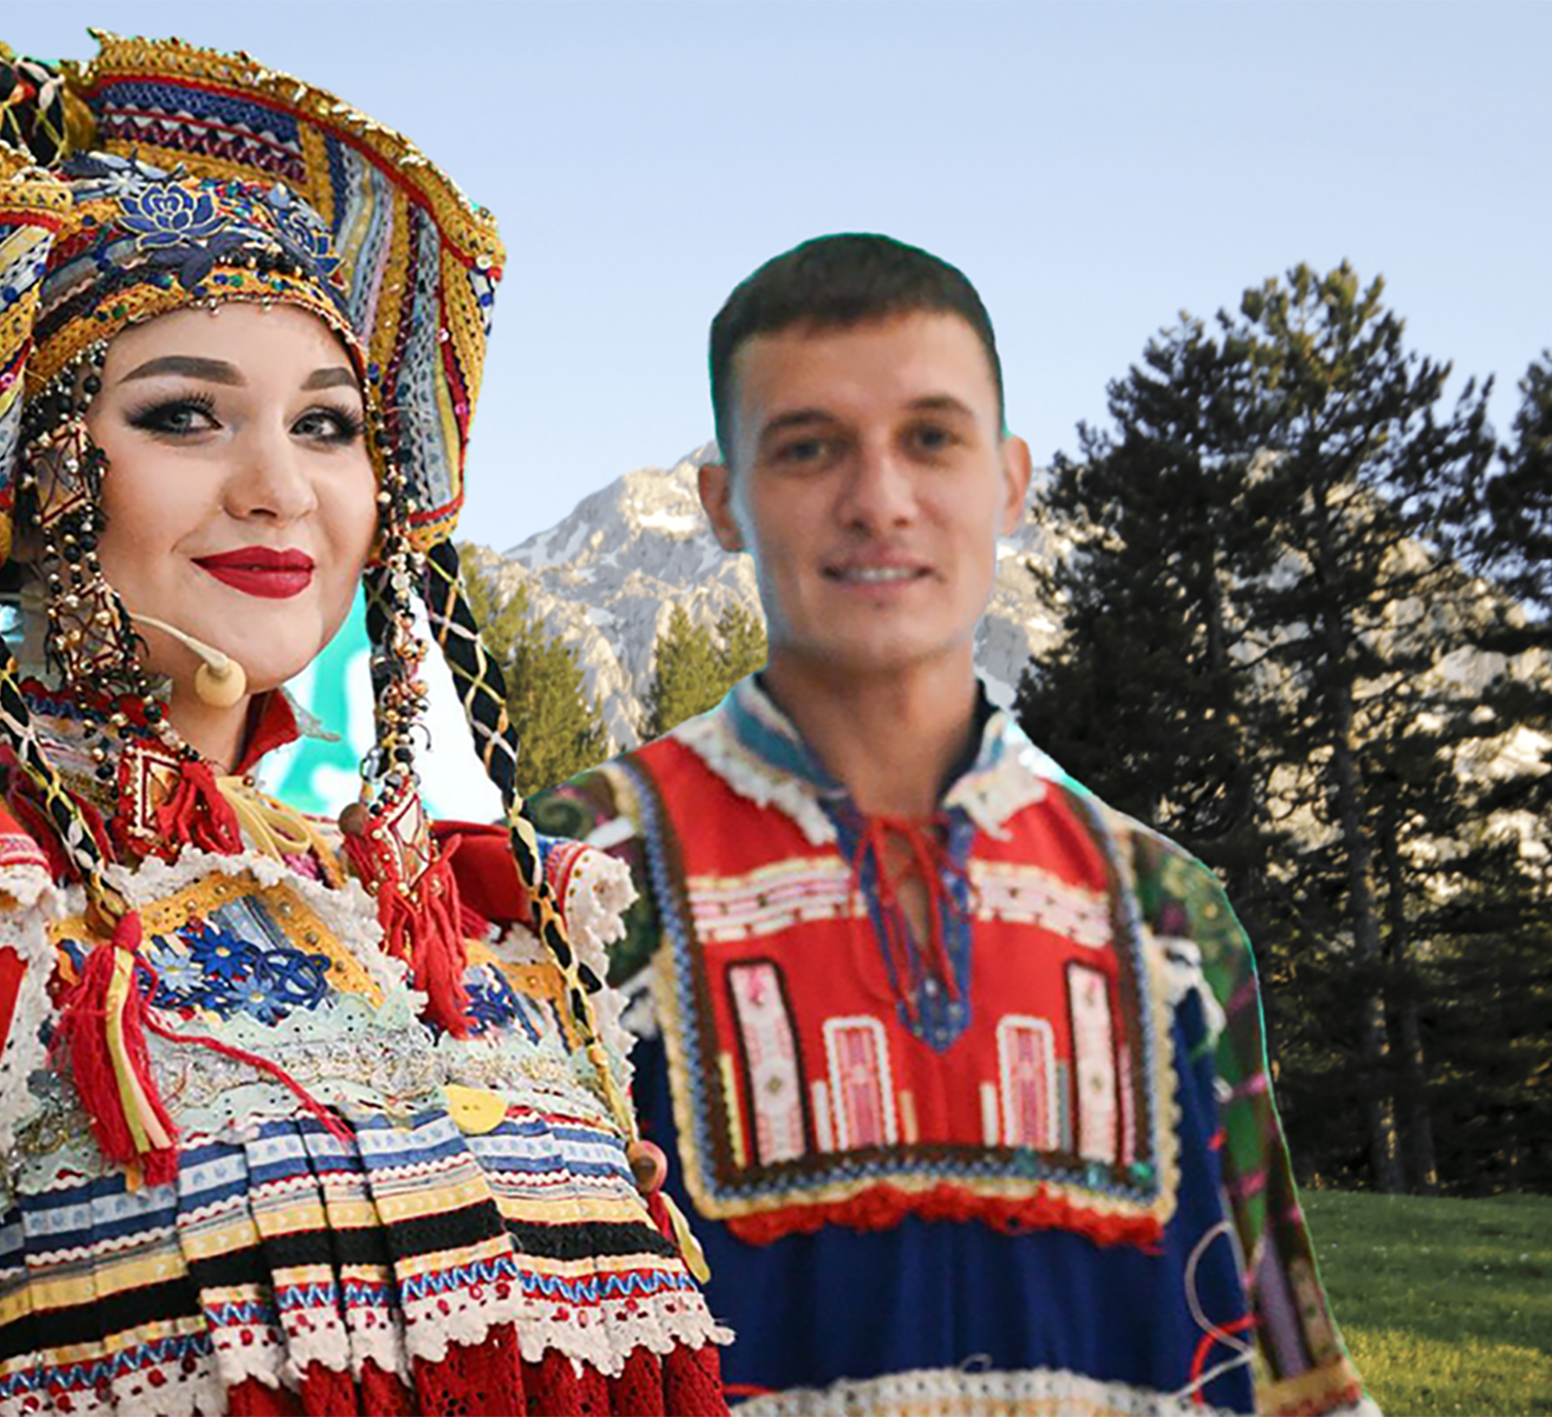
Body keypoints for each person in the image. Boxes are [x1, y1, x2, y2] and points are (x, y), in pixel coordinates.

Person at [0, 34, 726, 1417]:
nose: (280, 487)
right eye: (184, 415)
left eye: (328, 426)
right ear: (30, 477)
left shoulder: (475, 931)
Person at [530, 234, 1374, 1416]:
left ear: (1011, 482)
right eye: (808, 447)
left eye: (931, 438)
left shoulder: (1171, 913)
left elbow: (1287, 1360)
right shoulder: (572, 876)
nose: (879, 501)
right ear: (722, 503)